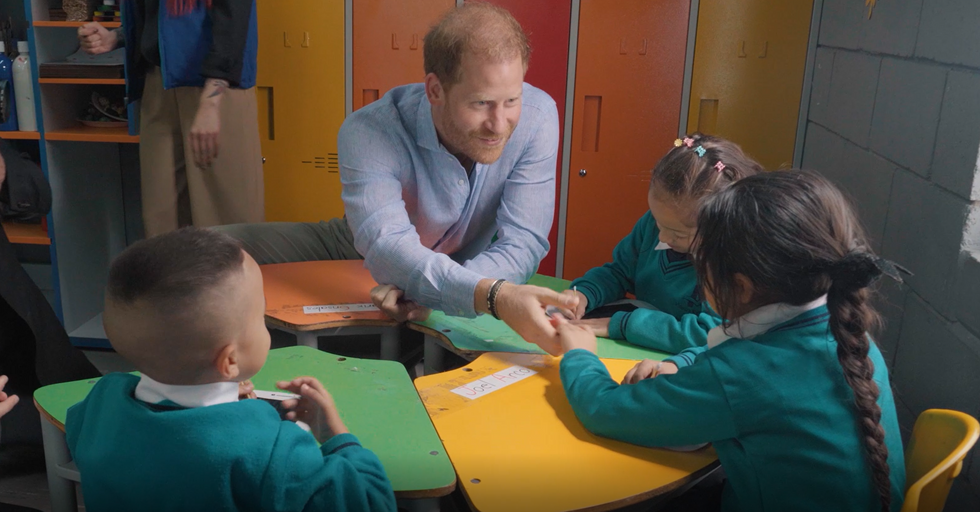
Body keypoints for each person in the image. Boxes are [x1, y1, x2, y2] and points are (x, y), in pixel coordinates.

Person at [217, 3, 576, 352]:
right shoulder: (369, 129)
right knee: (211, 249)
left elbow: (523, 242)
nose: (499, 124)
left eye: (511, 100)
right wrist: (490, 295)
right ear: (435, 89)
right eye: (480, 103)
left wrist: (446, 290)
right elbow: (386, 245)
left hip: (468, 262)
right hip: (357, 245)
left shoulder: (539, 116)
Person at [556, 170, 906, 511]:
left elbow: (604, 410)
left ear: (740, 287)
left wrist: (581, 355)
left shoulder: (742, 374)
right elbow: (734, 358)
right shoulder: (846, 334)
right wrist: (679, 364)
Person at [65, 228, 396, 511]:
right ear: (230, 362)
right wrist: (337, 436)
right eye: (261, 315)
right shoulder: (272, 450)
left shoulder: (99, 404)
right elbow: (370, 502)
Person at [77, 0, 264, 237]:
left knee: (226, 222)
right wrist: (117, 37)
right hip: (159, 84)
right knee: (163, 220)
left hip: (215, 89)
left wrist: (210, 103)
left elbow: (234, 20)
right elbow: (157, 16)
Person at [562, 133, 762, 353]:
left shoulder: (732, 263)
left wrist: (623, 324)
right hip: (638, 350)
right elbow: (619, 273)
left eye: (678, 232)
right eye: (658, 223)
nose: (663, 237)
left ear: (721, 225)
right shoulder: (653, 225)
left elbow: (712, 332)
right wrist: (584, 293)